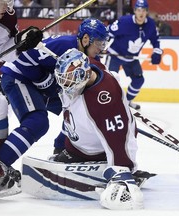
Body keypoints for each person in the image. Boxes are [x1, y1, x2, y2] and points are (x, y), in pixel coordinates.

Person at [0, 18, 109, 197]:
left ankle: (62, 148)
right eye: (99, 43)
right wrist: (41, 79)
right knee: (37, 122)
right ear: (85, 39)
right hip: (19, 77)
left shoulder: (91, 58)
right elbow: (23, 56)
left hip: (40, 86)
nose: (102, 48)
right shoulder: (63, 45)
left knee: (77, 107)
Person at [53, 48, 143, 210]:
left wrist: (122, 170)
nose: (65, 85)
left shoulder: (104, 101)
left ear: (82, 74)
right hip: (78, 144)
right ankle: (73, 151)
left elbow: (119, 138)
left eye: (68, 79)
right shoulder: (90, 68)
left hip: (96, 152)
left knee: (114, 136)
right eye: (63, 79)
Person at [0, 0, 43, 197]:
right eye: (5, 2)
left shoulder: (6, 16)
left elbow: (4, 49)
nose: (8, 7)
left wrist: (21, 42)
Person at [105, 0, 162, 110]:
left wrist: (157, 52)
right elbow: (108, 32)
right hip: (115, 55)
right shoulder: (125, 22)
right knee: (109, 81)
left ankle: (126, 102)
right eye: (138, 10)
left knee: (139, 80)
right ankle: (108, 106)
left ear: (147, 12)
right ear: (134, 11)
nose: (141, 13)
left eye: (143, 10)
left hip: (131, 58)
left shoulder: (150, 25)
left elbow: (156, 40)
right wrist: (103, 46)